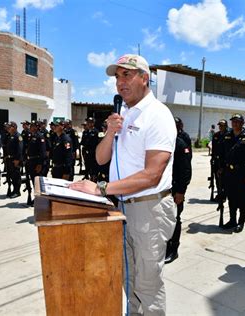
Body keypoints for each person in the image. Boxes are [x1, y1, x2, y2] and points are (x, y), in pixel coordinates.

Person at [69, 53, 177, 315]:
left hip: (149, 209)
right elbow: (100, 158)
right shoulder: (124, 114)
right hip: (123, 206)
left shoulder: (158, 115)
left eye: (127, 75)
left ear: (144, 78)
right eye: (117, 77)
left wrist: (101, 188)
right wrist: (110, 132)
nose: (120, 82)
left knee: (147, 285)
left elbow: (152, 175)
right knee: (129, 279)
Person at [219, 114, 245, 233]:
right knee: (231, 198)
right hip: (229, 173)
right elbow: (222, 154)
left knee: (242, 199)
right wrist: (221, 167)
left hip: (243, 173)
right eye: (233, 122)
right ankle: (232, 220)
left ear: (242, 123)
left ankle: (241, 221)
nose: (235, 124)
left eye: (238, 122)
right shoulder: (227, 136)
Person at [165, 117, 192, 264]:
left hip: (176, 189)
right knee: (165, 220)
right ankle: (166, 245)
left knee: (175, 219)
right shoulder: (164, 141)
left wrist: (181, 191)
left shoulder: (180, 144)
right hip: (164, 188)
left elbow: (186, 170)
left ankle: (174, 249)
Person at [6, 121, 23, 198]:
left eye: (10, 127)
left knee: (16, 176)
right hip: (10, 159)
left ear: (14, 127)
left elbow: (19, 149)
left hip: (15, 159)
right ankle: (14, 190)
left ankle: (17, 191)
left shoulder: (18, 136)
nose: (8, 128)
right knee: (12, 176)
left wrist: (17, 160)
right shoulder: (11, 136)